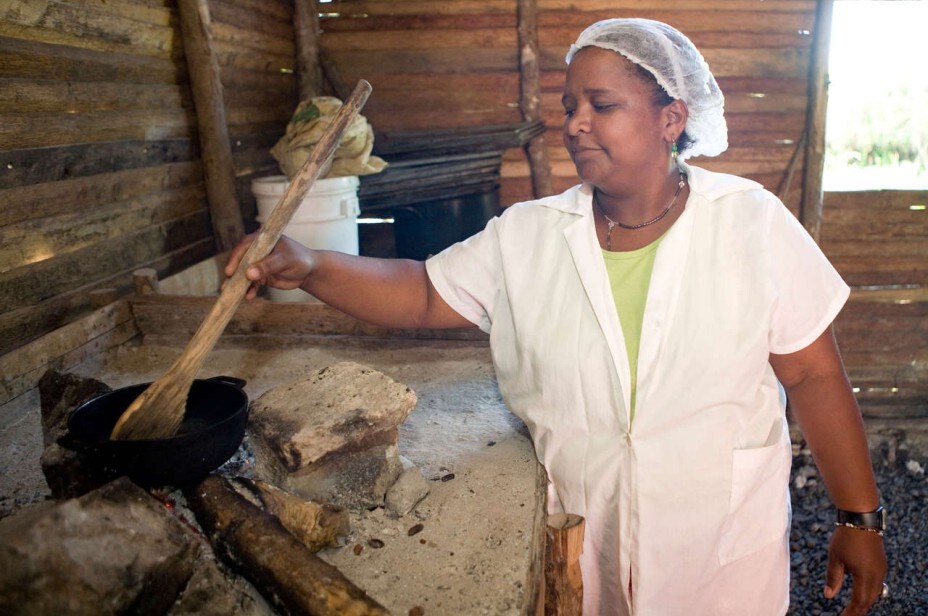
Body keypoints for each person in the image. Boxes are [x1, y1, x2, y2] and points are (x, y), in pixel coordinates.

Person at [226, 18, 887, 616]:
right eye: (570, 107)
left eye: (602, 105)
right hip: (584, 538)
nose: (575, 124)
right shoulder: (530, 235)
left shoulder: (749, 223)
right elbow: (423, 292)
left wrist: (858, 519)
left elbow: (813, 376)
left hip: (720, 548)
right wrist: (311, 265)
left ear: (671, 118)